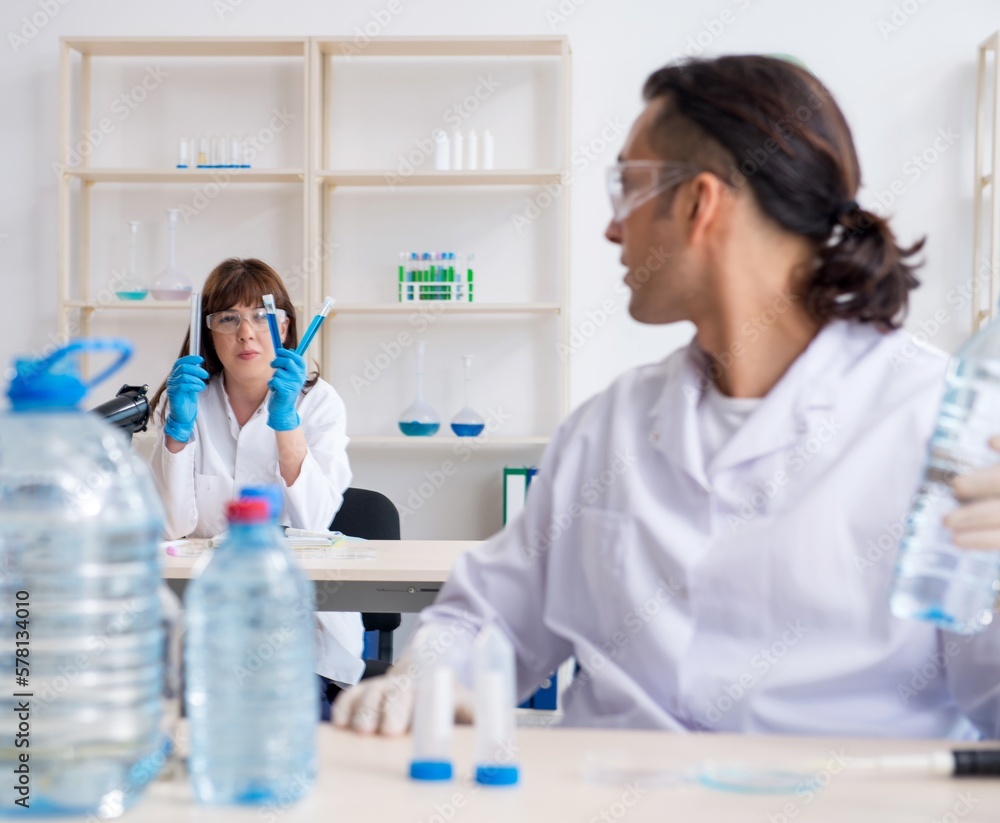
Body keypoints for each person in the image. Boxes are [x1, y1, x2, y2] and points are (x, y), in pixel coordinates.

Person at [334, 55, 1000, 738]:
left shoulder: (940, 426)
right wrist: (427, 674)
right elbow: (489, 614)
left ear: (700, 202)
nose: (612, 228)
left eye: (627, 187)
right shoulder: (612, 428)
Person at [149, 257, 365, 698]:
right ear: (208, 331)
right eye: (228, 318)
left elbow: (314, 520)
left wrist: (287, 423)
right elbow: (171, 528)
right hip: (206, 625)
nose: (245, 332)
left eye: (260, 317)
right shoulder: (187, 400)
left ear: (284, 329)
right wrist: (176, 436)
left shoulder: (319, 403)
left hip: (301, 631)